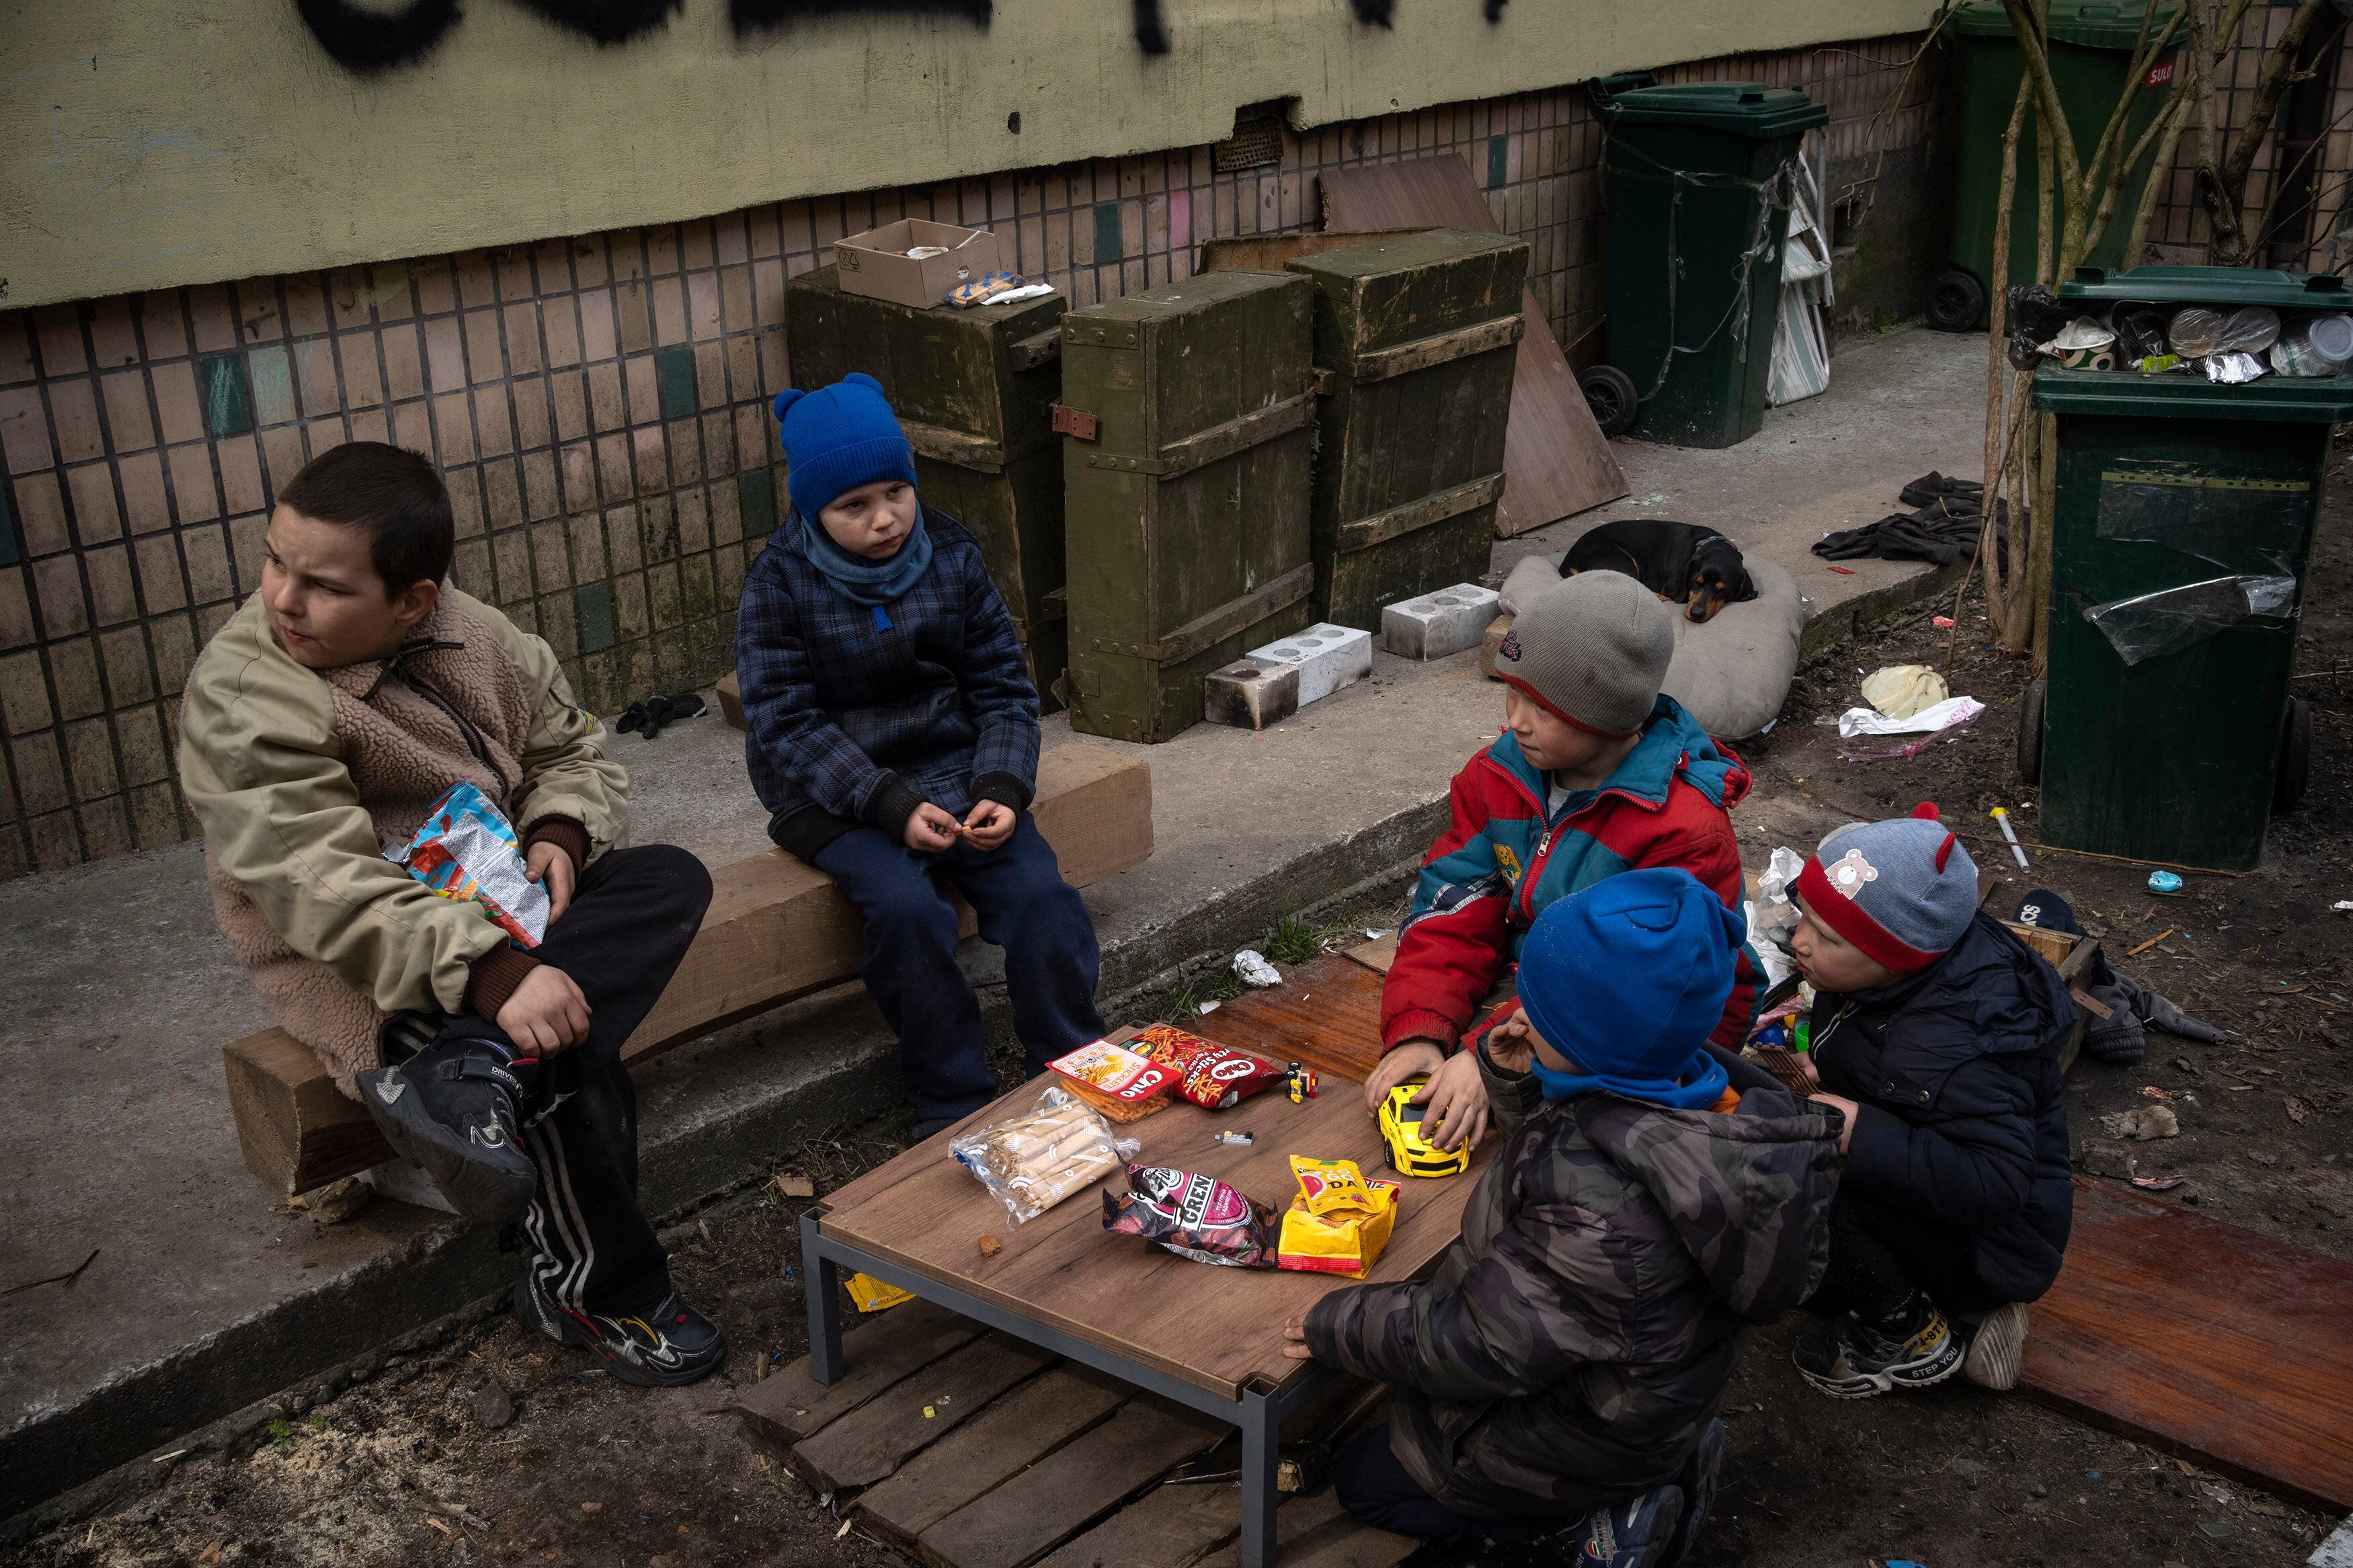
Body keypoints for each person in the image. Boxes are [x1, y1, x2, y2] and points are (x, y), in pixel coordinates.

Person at [179, 442, 724, 1388]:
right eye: (275, 561)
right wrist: (496, 975)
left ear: (414, 600)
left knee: (669, 878)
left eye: (323, 584)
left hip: (500, 899)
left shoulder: (472, 632)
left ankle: (477, 1068)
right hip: (368, 962)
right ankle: (601, 1295)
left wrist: (560, 831)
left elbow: (568, 744)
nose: (282, 600)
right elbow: (320, 886)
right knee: (562, 1059)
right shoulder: (245, 692)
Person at [1287, 870, 1842, 1566]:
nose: (1516, 1016)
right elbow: (1599, 1130)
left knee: (1366, 1480)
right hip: (1653, 1397)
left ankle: (1588, 1529)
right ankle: (1648, 1473)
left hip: (1581, 1434)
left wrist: (1335, 1323)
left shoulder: (1597, 1212)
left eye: (1537, 1009)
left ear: (1585, 1039)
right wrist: (1522, 1074)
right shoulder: (1697, 1090)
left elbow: (1478, 1345)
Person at [735, 373, 1105, 1138]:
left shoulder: (953, 555)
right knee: (908, 911)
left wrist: (1002, 781)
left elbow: (1004, 688)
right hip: (831, 793)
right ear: (811, 508)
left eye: (894, 493)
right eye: (852, 506)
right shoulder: (778, 583)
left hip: (954, 766)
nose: (883, 520)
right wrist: (889, 806)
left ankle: (1074, 1065)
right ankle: (950, 1100)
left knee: (1040, 896)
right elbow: (785, 723)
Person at [1366, 569, 1756, 1150]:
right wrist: (1421, 1028)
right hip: (1540, 993)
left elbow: (1640, 993)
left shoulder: (1684, 829)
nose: (1516, 719)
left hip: (1641, 1030)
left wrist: (1489, 1054)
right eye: (1512, 691)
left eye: (1543, 707)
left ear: (1612, 716)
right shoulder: (1500, 776)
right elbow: (1453, 905)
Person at [1787, 807, 2076, 1397]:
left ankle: (1912, 1334)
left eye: (1828, 936)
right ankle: (1952, 1312)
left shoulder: (1968, 1043)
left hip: (1991, 1246)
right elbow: (1894, 1073)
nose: (1800, 942)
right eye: (1804, 919)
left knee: (1797, 1185)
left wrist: (1856, 1130)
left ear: (1897, 955)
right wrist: (1827, 1072)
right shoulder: (1893, 981)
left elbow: (1995, 1183)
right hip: (1936, 1203)